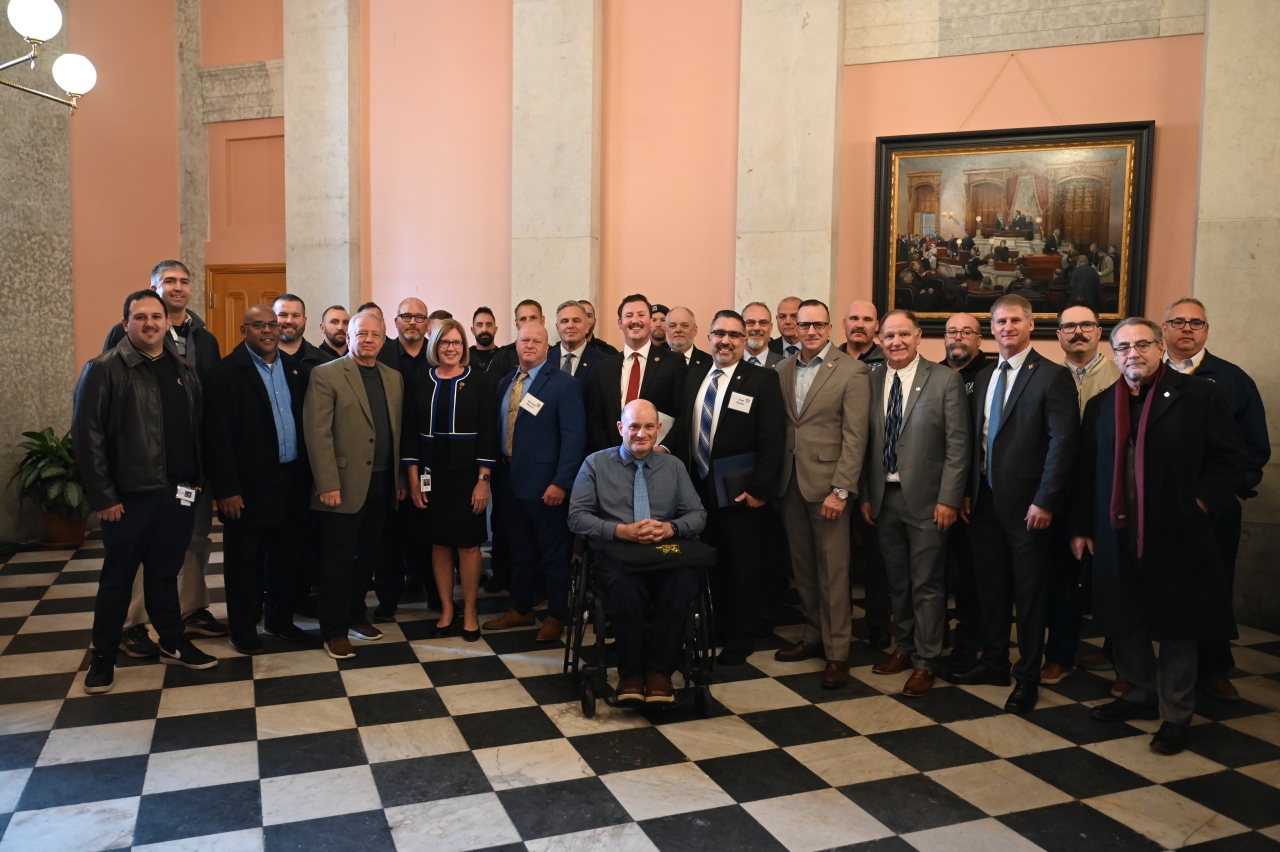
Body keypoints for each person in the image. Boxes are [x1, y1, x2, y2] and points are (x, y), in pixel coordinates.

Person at [1074, 318, 1247, 755]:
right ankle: (1138, 693)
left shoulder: (1202, 396)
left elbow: (1229, 459)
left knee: (1177, 627)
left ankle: (1175, 714)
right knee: (1124, 619)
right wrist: (1081, 526)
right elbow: (1085, 472)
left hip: (1177, 534)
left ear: (1160, 347)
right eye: (1124, 346)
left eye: (1142, 344)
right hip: (1116, 534)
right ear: (1114, 353)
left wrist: (1201, 506)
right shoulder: (1100, 406)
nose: (1133, 353)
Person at [74, 290, 218, 693]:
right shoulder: (103, 369)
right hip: (129, 496)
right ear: (126, 324)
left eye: (157, 317)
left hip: (177, 493)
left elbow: (195, 431)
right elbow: (88, 438)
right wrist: (104, 496)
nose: (150, 324)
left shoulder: (184, 369)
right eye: (141, 317)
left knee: (164, 573)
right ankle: (103, 655)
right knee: (117, 579)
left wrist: (196, 477)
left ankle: (172, 641)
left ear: (167, 323)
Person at [948, 294, 1078, 715]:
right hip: (983, 503)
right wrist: (966, 489)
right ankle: (994, 663)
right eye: (1000, 322)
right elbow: (975, 439)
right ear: (992, 327)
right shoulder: (985, 376)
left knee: (1030, 594)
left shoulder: (1051, 376)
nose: (1007, 328)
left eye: (1015, 321)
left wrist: (1046, 500)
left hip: (1029, 509)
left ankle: (1027, 677)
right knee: (992, 588)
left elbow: (1063, 443)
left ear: (1030, 324)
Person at [102, 260, 225, 653]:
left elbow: (207, 400)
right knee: (139, 552)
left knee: (193, 540)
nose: (177, 287)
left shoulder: (204, 338)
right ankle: (133, 623)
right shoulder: (127, 336)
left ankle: (189, 610)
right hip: (142, 470)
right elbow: (111, 408)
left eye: (184, 281)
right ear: (153, 287)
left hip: (188, 465)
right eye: (168, 281)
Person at [1162, 298, 1270, 702]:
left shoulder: (1231, 379)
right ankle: (1138, 667)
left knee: (1213, 586)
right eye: (1178, 322)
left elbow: (1254, 446)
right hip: (1157, 506)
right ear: (1164, 328)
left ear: (1207, 329)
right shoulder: (1147, 372)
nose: (1186, 329)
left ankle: (1213, 668)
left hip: (1214, 507)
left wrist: (1235, 492)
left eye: (1195, 323)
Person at [859, 311, 970, 697]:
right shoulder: (870, 380)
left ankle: (926, 661)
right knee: (897, 581)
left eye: (904, 334)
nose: (896, 342)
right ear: (879, 337)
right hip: (883, 499)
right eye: (889, 335)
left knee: (927, 583)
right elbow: (862, 444)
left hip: (928, 502)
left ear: (919, 336)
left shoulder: (945, 380)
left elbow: (958, 447)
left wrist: (949, 499)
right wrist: (866, 495)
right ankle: (903, 648)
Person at [568, 400, 707, 703]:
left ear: (658, 429)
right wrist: (620, 531)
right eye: (633, 426)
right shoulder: (594, 464)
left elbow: (698, 514)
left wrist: (672, 528)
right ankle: (630, 672)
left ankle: (659, 671)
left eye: (648, 427)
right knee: (625, 588)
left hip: (666, 550)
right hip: (617, 553)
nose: (641, 433)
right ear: (621, 428)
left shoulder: (673, 466)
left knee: (683, 583)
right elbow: (576, 517)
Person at [670, 310, 785, 665]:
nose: (726, 341)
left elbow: (773, 440)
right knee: (710, 561)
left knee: (743, 565)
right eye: (720, 333)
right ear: (708, 336)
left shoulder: (761, 380)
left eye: (735, 335)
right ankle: (716, 625)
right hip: (698, 490)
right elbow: (683, 429)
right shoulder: (694, 377)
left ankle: (740, 635)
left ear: (744, 339)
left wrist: (760, 490)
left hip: (740, 493)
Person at [202, 305, 311, 654]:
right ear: (243, 329)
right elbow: (216, 439)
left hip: (290, 479)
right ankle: (243, 629)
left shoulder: (294, 369)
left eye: (272, 324)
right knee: (243, 563)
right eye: (258, 325)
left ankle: (279, 620)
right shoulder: (224, 373)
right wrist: (227, 491)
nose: (268, 330)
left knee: (285, 556)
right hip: (247, 487)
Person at [773, 300, 871, 689]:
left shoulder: (853, 371)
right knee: (805, 569)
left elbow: (855, 436)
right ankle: (813, 635)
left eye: (818, 325)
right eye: (803, 325)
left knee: (834, 572)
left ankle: (837, 652)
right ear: (793, 329)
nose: (810, 332)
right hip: (790, 484)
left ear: (830, 328)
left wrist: (842, 489)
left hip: (829, 486)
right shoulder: (782, 369)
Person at [303, 311, 406, 659]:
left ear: (383, 339)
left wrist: (399, 481)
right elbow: (317, 434)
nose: (369, 340)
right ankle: (332, 630)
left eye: (376, 335)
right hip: (342, 486)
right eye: (361, 334)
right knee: (338, 559)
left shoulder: (393, 378)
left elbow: (396, 433)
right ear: (348, 337)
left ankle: (355, 616)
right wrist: (327, 483)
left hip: (381, 483)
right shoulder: (326, 374)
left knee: (368, 557)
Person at [485, 323, 586, 641]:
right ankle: (521, 607)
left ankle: (556, 614)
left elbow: (574, 438)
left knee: (553, 552)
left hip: (546, 486)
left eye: (537, 341)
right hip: (508, 481)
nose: (530, 345)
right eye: (524, 339)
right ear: (515, 344)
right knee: (520, 550)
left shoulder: (563, 384)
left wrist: (561, 482)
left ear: (547, 347)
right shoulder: (504, 383)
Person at [1040, 304, 1121, 685]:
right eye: (1068, 326)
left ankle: (1124, 662)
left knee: (1117, 580)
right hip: (1060, 492)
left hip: (1108, 493)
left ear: (1099, 331)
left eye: (1086, 324)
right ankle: (1059, 655)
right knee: (1063, 580)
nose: (1078, 332)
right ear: (1057, 335)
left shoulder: (1121, 374)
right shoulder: (1045, 376)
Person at [402, 319, 497, 642]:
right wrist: (413, 479)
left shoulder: (481, 382)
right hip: (431, 476)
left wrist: (483, 479)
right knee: (439, 543)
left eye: (457, 343)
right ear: (435, 347)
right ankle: (446, 609)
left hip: (467, 477)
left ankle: (470, 612)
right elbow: (409, 435)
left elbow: (488, 434)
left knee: (469, 545)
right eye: (445, 343)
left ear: (464, 347)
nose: (451, 349)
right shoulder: (419, 381)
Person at [372, 298, 435, 621]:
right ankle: (387, 598)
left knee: (429, 528)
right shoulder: (379, 356)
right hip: (388, 459)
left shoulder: (439, 355)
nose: (412, 322)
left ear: (428, 323)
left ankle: (435, 593)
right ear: (394, 322)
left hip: (430, 460)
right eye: (406, 316)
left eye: (419, 317)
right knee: (389, 536)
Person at [938, 312, 992, 675]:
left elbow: (979, 440)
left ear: (979, 339)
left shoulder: (989, 376)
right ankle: (934, 634)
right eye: (952, 331)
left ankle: (970, 639)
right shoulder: (933, 373)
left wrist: (965, 490)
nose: (958, 337)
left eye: (967, 332)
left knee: (972, 573)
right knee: (935, 570)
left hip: (973, 496)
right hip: (932, 491)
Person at [839, 300, 891, 649]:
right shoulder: (832, 361)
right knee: (836, 557)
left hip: (874, 474)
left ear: (877, 327)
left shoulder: (889, 364)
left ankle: (878, 625)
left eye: (867, 319)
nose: (860, 324)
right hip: (835, 475)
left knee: (877, 557)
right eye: (854, 318)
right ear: (844, 324)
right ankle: (836, 625)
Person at [585, 294, 685, 452]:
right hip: (613, 459)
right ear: (620, 323)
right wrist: (609, 454)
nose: (635, 321)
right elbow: (595, 419)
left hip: (658, 458)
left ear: (650, 321)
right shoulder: (604, 368)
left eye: (641, 315)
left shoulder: (673, 362)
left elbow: (683, 413)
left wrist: (665, 448)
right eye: (629, 316)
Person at [549, 300, 606, 389]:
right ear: (557, 328)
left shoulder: (604, 363)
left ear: (587, 327)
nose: (570, 325)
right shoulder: (543, 360)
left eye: (576, 321)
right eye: (565, 321)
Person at [490, 299, 546, 379]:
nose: (528, 323)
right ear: (517, 324)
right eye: (523, 319)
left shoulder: (555, 355)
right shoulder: (503, 356)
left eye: (533, 318)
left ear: (542, 320)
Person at [274, 294, 334, 367]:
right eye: (283, 315)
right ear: (272, 319)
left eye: (295, 315)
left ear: (304, 321)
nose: (289, 321)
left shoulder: (326, 362)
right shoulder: (259, 358)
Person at [742, 302, 785, 367]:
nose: (757, 328)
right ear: (741, 327)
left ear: (770, 327)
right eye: (750, 322)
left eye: (763, 323)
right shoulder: (729, 362)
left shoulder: (785, 365)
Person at [469, 307, 499, 372]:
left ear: (495, 329)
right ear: (473, 330)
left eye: (489, 325)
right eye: (479, 325)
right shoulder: (465, 358)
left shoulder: (504, 357)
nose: (484, 330)